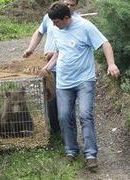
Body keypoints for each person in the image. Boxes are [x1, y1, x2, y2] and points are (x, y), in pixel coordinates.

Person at [46, 2, 120, 171]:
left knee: (85, 115)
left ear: (66, 18)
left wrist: (111, 64)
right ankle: (71, 151)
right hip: (63, 82)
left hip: (84, 80)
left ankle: (90, 155)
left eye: (56, 21)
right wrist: (47, 68)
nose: (54, 25)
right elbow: (59, 52)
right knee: (64, 117)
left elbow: (105, 43)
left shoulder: (85, 26)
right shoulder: (58, 29)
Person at [22, 0, 81, 135]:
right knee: (51, 101)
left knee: (66, 104)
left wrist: (55, 54)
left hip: (66, 69)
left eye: (72, 5)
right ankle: (56, 132)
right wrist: (31, 48)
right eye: (67, 3)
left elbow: (74, 46)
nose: (69, 7)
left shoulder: (77, 22)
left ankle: (69, 135)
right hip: (49, 69)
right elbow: (39, 32)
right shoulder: (50, 17)